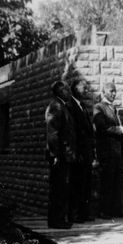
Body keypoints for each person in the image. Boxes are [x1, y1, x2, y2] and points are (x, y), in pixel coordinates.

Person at [93, 82, 123, 219]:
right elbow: (102, 128)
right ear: (103, 92)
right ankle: (105, 211)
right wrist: (122, 130)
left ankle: (116, 210)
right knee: (107, 182)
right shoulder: (99, 108)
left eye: (115, 91)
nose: (114, 94)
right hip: (107, 152)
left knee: (117, 182)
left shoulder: (114, 108)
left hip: (117, 152)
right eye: (111, 91)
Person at [45, 81, 76, 229]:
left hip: (64, 154)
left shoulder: (62, 105)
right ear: (59, 91)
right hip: (59, 155)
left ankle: (59, 219)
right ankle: (56, 220)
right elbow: (53, 132)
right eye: (66, 89)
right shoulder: (56, 106)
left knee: (62, 187)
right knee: (58, 188)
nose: (69, 91)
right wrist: (55, 154)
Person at [66, 78, 95, 223]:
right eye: (84, 88)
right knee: (76, 184)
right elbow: (72, 131)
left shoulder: (81, 105)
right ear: (76, 88)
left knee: (85, 183)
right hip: (78, 152)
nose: (87, 91)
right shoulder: (70, 105)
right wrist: (75, 152)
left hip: (86, 152)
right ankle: (75, 214)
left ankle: (83, 213)